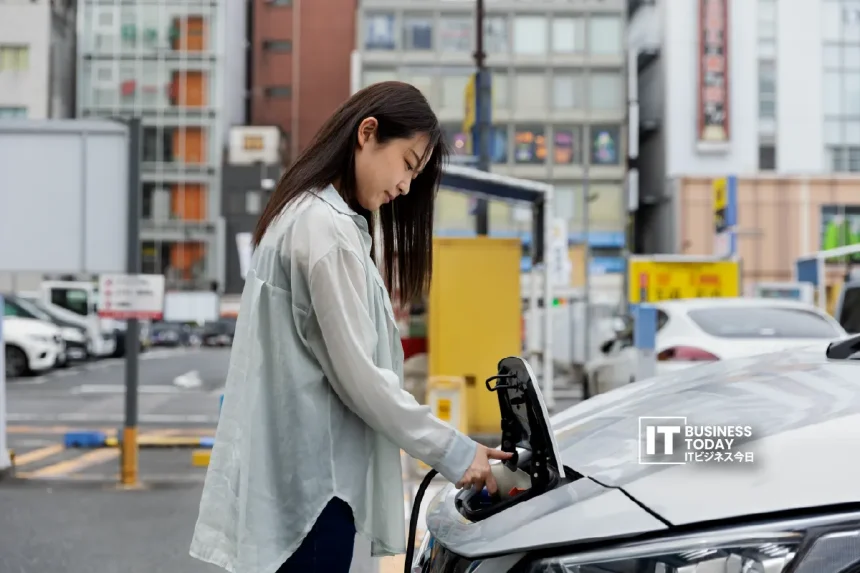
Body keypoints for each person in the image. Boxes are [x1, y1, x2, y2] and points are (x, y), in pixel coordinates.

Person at [189, 81, 512, 573]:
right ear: (367, 133)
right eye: (408, 163)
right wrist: (455, 450)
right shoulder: (327, 232)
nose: (406, 186)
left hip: (290, 483)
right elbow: (362, 379)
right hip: (314, 494)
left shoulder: (304, 215)